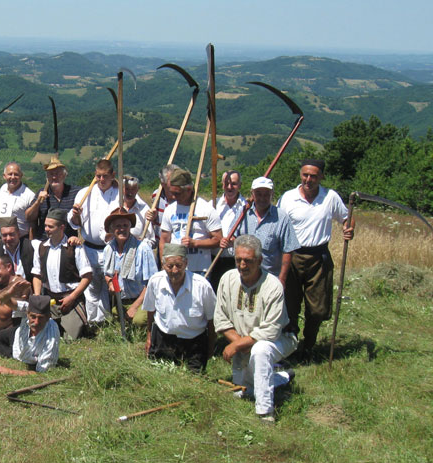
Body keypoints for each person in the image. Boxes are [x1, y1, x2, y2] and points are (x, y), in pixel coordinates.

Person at [214, 235, 297, 424]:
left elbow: (271, 331)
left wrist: (237, 346)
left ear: (259, 261)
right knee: (246, 388)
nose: (242, 265)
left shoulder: (273, 285)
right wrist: (239, 343)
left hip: (278, 339)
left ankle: (265, 412)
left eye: (248, 261)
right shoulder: (227, 279)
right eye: (238, 260)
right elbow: (220, 318)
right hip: (242, 341)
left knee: (260, 351)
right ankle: (282, 377)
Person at [277, 160, 354, 358]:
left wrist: (349, 228)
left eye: (313, 176)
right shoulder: (288, 198)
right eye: (305, 175)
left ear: (321, 177)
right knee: (289, 305)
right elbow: (278, 223)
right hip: (292, 256)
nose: (308, 180)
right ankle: (291, 346)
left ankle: (308, 344)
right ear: (300, 175)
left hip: (319, 257)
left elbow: (347, 217)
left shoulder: (330, 198)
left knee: (318, 309)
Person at [143, 243, 216, 373]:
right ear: (163, 264)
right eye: (170, 266)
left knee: (192, 379)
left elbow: (212, 320)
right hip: (163, 339)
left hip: (194, 342)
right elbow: (150, 311)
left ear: (186, 263)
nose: (175, 271)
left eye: (179, 265)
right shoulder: (155, 281)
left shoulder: (202, 286)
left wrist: (210, 348)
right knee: (159, 378)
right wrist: (149, 337)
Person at [221, 177, 300, 286]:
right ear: (252, 194)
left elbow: (288, 250)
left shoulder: (281, 218)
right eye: (258, 193)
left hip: (270, 279)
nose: (262, 198)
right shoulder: (243, 213)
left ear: (272, 194)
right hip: (243, 277)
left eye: (266, 194)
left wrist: (282, 279)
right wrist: (228, 242)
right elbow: (233, 238)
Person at [68, 159, 120, 322]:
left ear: (113, 175)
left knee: (109, 284)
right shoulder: (85, 193)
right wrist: (76, 215)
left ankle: (107, 319)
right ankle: (92, 321)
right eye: (98, 176)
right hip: (89, 246)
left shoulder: (120, 194)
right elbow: (74, 222)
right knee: (91, 284)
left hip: (110, 248)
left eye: (105, 176)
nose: (101, 180)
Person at [32, 209, 92, 339]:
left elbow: (87, 277)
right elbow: (36, 275)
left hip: (71, 300)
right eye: (45, 225)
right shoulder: (41, 247)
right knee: (43, 334)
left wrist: (72, 297)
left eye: (50, 226)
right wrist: (38, 297)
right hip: (51, 301)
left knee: (69, 338)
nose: (46, 229)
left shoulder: (74, 247)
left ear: (62, 228)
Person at [159, 167, 222, 273]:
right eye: (172, 192)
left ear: (188, 189)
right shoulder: (170, 210)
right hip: (175, 269)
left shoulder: (206, 209)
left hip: (199, 269)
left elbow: (218, 239)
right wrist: (163, 263)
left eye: (177, 193)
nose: (174, 196)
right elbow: (164, 241)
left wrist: (195, 243)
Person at [102, 207, 158, 327]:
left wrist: (134, 307)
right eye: (117, 226)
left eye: (125, 225)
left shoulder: (143, 249)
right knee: (113, 319)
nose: (122, 229)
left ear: (130, 227)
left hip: (143, 299)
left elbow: (152, 283)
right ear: (111, 229)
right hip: (121, 300)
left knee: (138, 321)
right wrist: (110, 284)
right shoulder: (109, 249)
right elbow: (107, 274)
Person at [0, 295, 60, 376]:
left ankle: (15, 354)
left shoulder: (51, 336)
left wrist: (11, 372)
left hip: (25, 354)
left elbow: (43, 373)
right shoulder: (27, 308)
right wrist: (10, 292)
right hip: (17, 336)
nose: (36, 322)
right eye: (33, 317)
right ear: (27, 313)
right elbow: (5, 299)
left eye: (41, 318)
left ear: (48, 317)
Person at [25, 156, 78, 241]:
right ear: (47, 178)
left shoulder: (75, 193)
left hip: (68, 244)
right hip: (45, 244)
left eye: (57, 174)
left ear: (64, 175)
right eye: (51, 174)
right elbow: (28, 217)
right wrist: (38, 202)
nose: (54, 177)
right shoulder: (41, 193)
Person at [209, 170, 247, 290]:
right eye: (227, 183)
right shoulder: (213, 205)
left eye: (234, 184)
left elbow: (251, 235)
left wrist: (235, 242)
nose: (230, 187)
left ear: (240, 185)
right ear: (222, 184)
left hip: (237, 261)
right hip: (214, 260)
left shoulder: (246, 207)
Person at [0, 161, 36, 237]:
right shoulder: (3, 188)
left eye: (16, 174)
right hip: (3, 238)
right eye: (10, 174)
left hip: (21, 239)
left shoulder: (29, 195)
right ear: (4, 176)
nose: (13, 177)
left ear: (21, 175)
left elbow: (32, 223)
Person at [145, 164, 179, 238]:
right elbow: (154, 222)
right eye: (172, 182)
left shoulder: (183, 197)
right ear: (162, 183)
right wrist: (152, 218)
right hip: (161, 243)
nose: (176, 184)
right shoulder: (156, 196)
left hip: (179, 244)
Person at [121, 176, 156, 247]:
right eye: (127, 189)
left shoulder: (144, 209)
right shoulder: (116, 207)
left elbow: (151, 239)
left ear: (137, 190)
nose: (130, 193)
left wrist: (141, 244)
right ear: (122, 189)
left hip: (137, 251)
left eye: (133, 189)